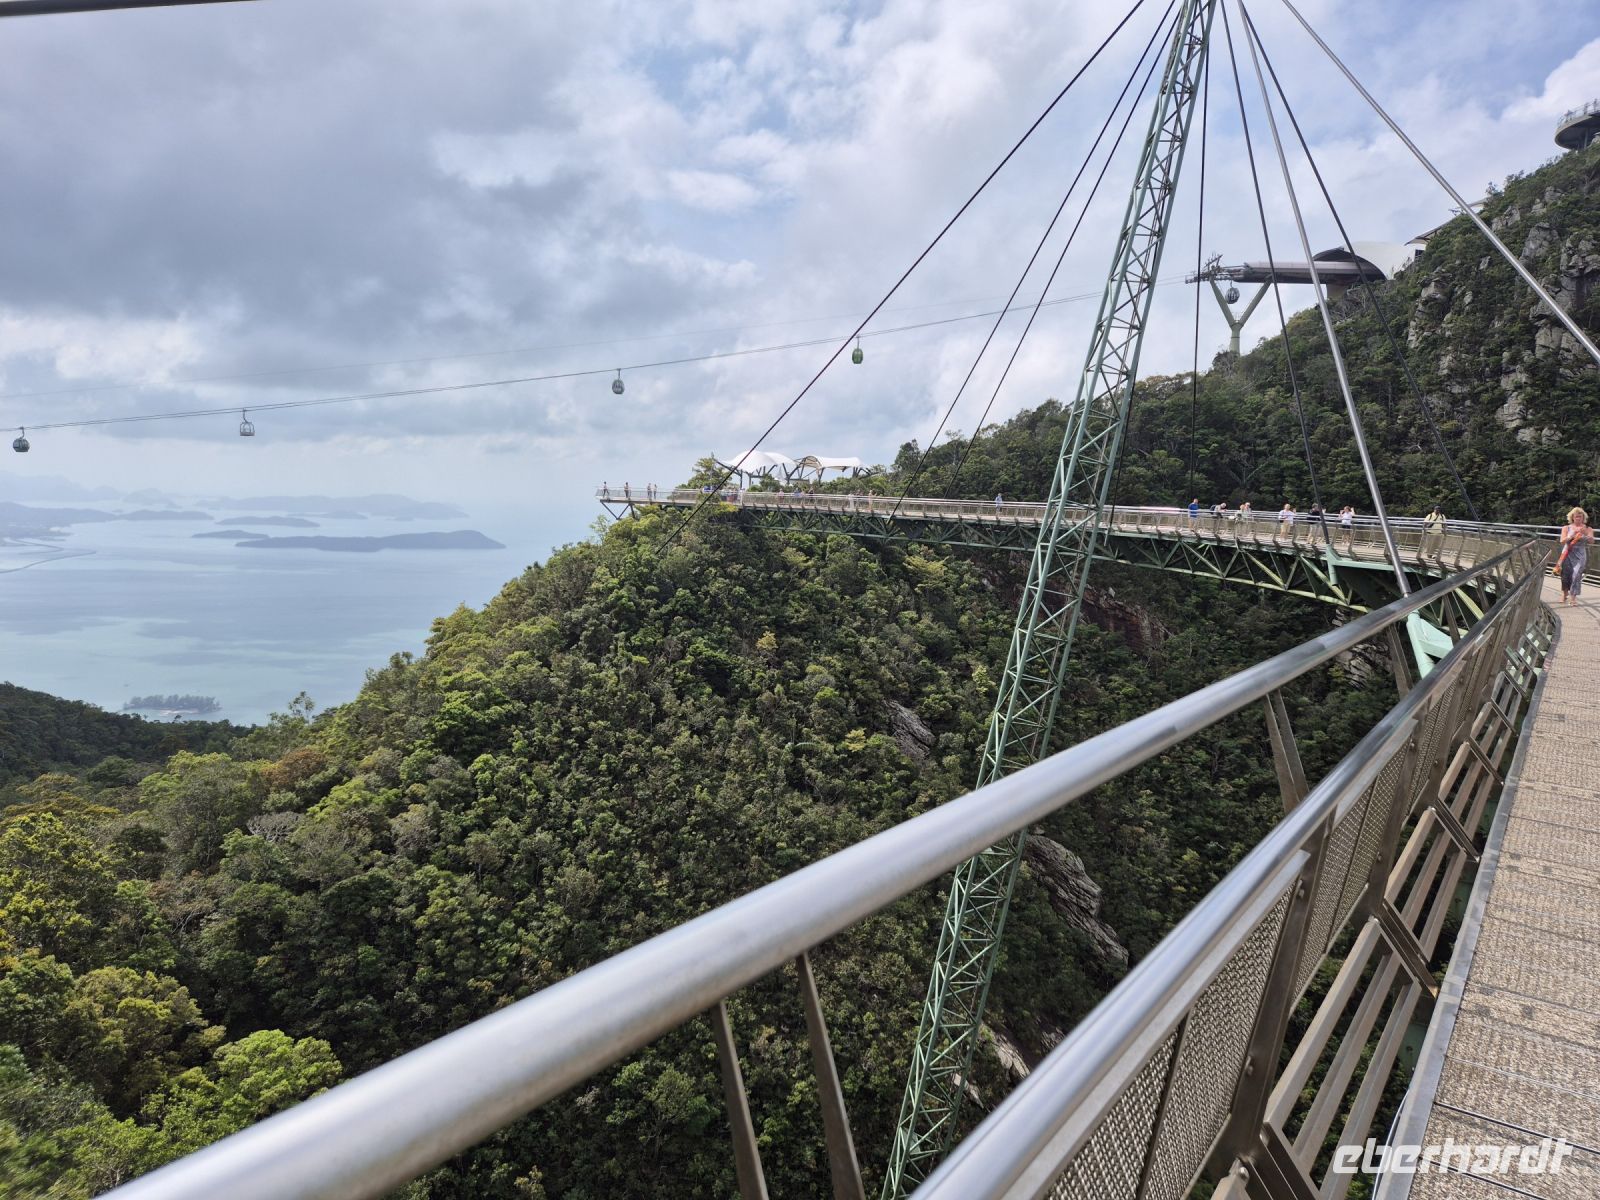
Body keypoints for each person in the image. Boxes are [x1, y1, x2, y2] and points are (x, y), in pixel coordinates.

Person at [1559, 506, 1594, 606]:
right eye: (1576, 516)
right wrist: (1571, 535)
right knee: (1565, 575)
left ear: (1583, 518)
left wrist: (1586, 534)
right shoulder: (1566, 528)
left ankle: (1573, 597)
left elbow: (1592, 541)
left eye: (1580, 516)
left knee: (1576, 575)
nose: (1578, 518)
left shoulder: (1588, 528)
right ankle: (1564, 594)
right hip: (1567, 553)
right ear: (1572, 517)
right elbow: (1562, 541)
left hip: (1580, 554)